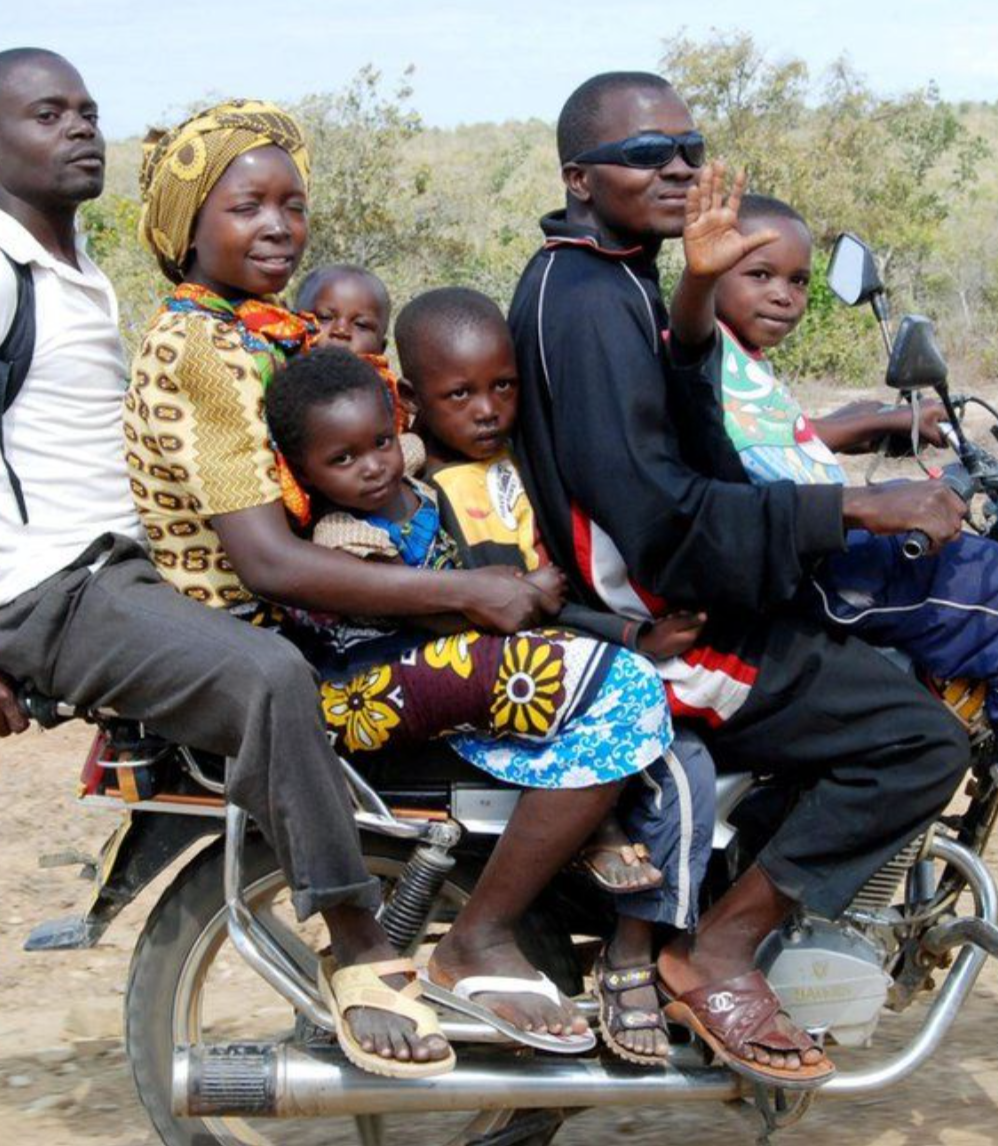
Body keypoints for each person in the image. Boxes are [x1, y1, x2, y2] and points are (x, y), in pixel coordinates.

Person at [0, 52, 458, 1083]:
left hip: (119, 578)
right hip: (55, 591)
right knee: (269, 679)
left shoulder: (72, 276)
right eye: (46, 114)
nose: (80, 128)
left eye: (87, 109)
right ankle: (356, 945)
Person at [128, 100, 662, 1060]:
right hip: (307, 653)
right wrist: (471, 594)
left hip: (330, 627)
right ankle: (478, 937)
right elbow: (268, 560)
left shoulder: (264, 333)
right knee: (612, 685)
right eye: (247, 206)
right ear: (186, 223)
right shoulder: (203, 350)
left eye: (291, 204)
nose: (279, 227)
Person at [508, 70, 969, 1089]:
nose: (675, 166)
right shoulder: (584, 302)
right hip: (666, 627)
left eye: (688, 147)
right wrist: (849, 507)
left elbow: (694, 441)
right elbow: (662, 516)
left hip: (687, 598)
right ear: (580, 177)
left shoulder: (615, 277)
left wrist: (690, 299)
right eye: (644, 154)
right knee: (918, 740)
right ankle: (713, 950)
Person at [267, 343, 699, 1062]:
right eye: (341, 461)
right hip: (369, 684)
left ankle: (579, 823)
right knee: (619, 689)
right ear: (301, 469)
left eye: (378, 443)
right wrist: (516, 599)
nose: (371, 466)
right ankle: (479, 936)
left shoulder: (422, 481)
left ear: (396, 423)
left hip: (437, 670)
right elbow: (427, 615)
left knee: (588, 680)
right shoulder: (343, 536)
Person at [392, 287, 717, 1063]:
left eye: (502, 387)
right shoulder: (420, 498)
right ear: (410, 399)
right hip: (487, 694)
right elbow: (482, 610)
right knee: (679, 763)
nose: (487, 410)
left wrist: (631, 631)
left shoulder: (510, 473)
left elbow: (550, 597)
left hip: (541, 668)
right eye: (459, 394)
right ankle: (634, 955)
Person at [670, 176, 998, 727]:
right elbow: (687, 330)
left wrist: (887, 419)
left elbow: (780, 439)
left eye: (798, 281)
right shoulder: (702, 351)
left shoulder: (744, 358)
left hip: (829, 542)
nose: (784, 295)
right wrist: (696, 280)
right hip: (817, 567)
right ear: (712, 268)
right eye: (759, 275)